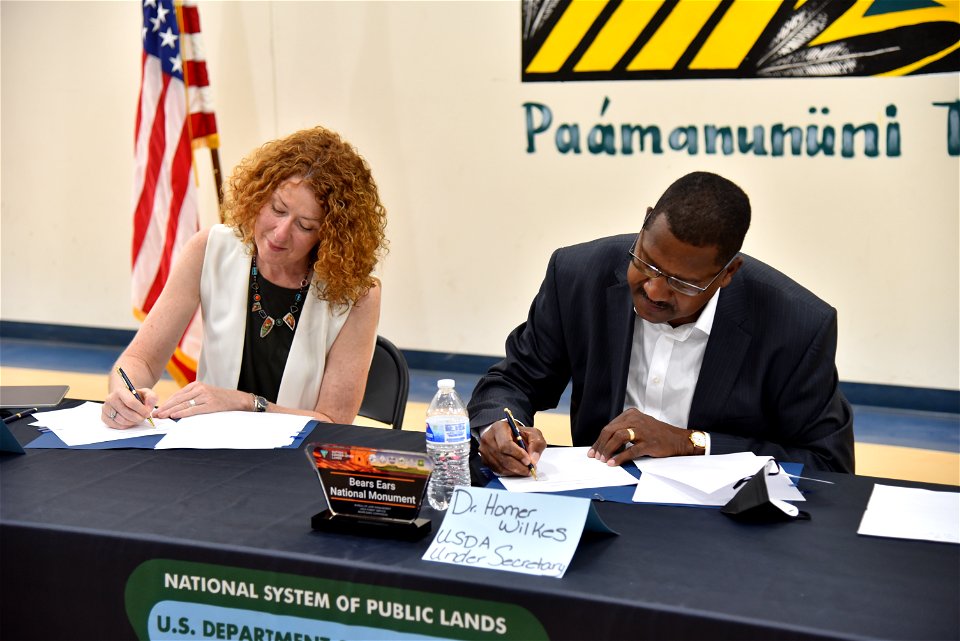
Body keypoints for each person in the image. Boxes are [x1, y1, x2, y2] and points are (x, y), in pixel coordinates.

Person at [469, 171, 854, 476]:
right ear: (643, 225)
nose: (653, 290)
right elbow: (514, 380)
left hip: (726, 524)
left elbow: (827, 463)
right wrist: (503, 427)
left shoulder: (795, 325)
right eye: (646, 262)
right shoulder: (578, 276)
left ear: (727, 273)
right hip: (602, 498)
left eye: (683, 283)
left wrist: (692, 442)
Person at [103, 126, 387, 428]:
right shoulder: (209, 249)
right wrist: (124, 395)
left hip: (295, 461)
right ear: (259, 195)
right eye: (277, 209)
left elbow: (334, 422)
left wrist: (244, 403)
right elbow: (141, 361)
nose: (280, 233)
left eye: (305, 226)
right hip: (207, 449)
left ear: (329, 236)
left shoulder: (356, 294)